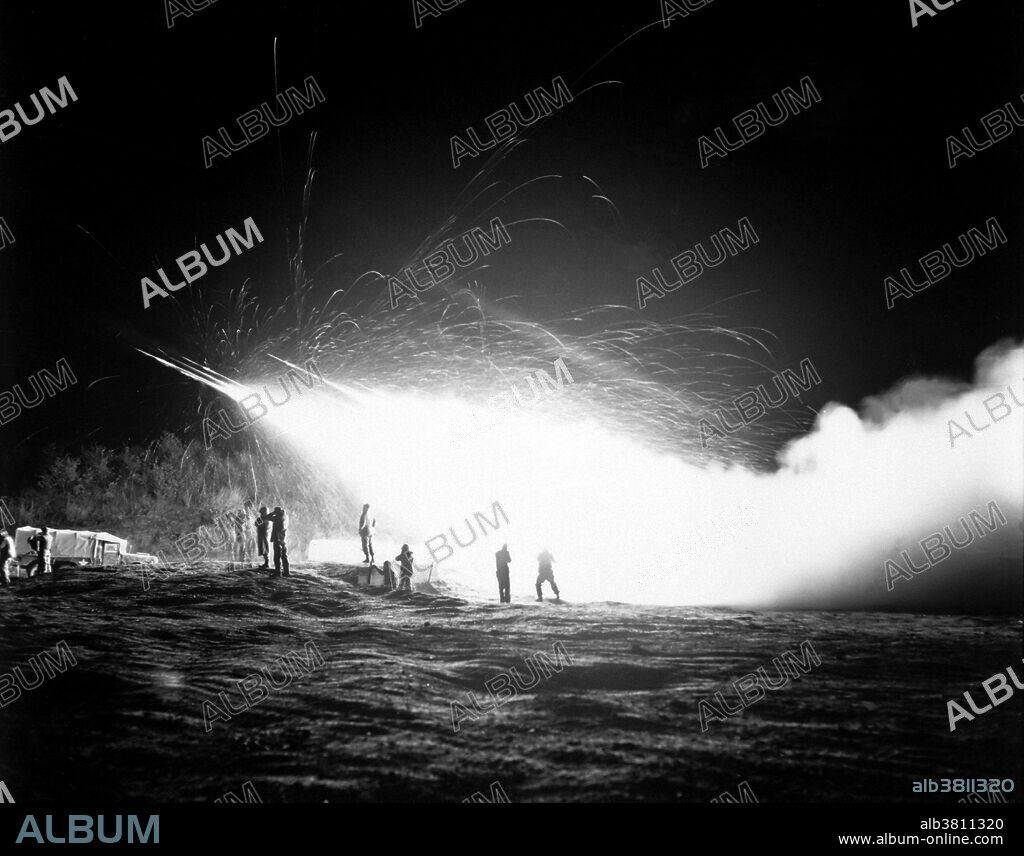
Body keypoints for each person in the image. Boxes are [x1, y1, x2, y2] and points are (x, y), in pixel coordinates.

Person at [269, 507, 290, 578]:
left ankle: (278, 572)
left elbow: (266, 517)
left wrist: (273, 513)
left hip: (277, 539)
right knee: (284, 556)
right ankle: (286, 572)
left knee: (277, 557)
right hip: (283, 539)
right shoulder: (286, 517)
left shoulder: (277, 518)